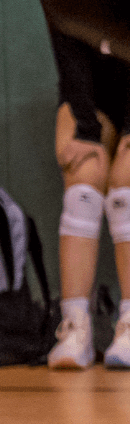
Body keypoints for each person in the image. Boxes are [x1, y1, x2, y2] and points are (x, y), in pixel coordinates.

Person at [45, 28, 130, 368]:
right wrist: (86, 129)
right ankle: (75, 326)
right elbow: (67, 51)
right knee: (84, 175)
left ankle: (129, 321)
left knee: (126, 179)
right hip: (90, 92)